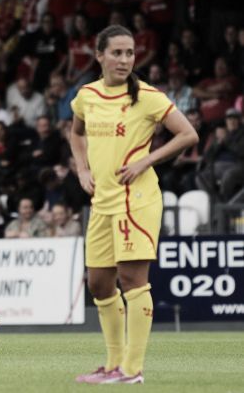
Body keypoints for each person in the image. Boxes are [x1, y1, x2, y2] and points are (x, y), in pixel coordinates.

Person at [70, 25, 198, 384]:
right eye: (117, 52)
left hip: (136, 199)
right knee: (98, 284)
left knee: (132, 279)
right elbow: (75, 133)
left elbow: (188, 133)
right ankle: (112, 365)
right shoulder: (86, 95)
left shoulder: (148, 96)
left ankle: (131, 369)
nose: (125, 59)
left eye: (130, 53)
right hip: (102, 201)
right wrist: (82, 170)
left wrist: (146, 161)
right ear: (99, 55)